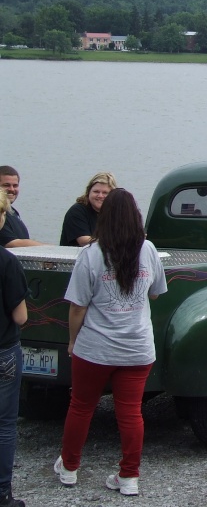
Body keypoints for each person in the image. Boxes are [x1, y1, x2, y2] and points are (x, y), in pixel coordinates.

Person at [54, 189, 167, 497]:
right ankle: (129, 477)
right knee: (130, 413)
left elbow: (78, 305)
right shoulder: (148, 249)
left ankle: (69, 469)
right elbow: (155, 292)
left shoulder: (91, 254)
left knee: (81, 406)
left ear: (104, 218)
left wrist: (72, 341)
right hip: (137, 348)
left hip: (95, 348)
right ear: (136, 217)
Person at [0, 191, 29, 507]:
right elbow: (20, 316)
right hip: (3, 351)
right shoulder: (6, 261)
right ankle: (3, 494)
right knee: (5, 424)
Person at [59, 172, 117, 247]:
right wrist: (117, 241)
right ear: (88, 192)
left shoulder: (114, 213)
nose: (100, 196)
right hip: (76, 257)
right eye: (96, 191)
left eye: (105, 193)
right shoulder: (77, 211)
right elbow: (84, 241)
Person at [0, 166, 44, 248]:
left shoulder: (12, 212)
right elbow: (12, 243)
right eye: (6, 185)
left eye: (15, 185)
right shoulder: (1, 212)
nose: (12, 189)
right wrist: (53, 249)